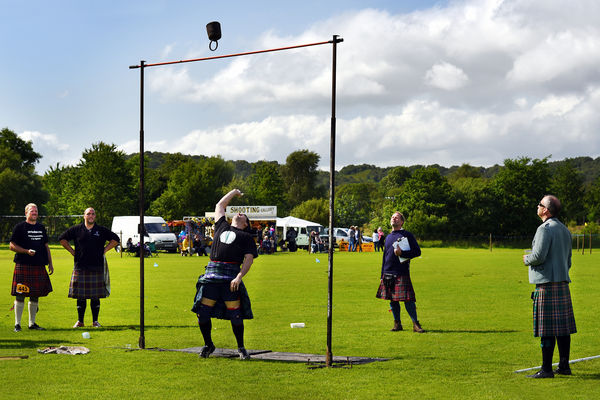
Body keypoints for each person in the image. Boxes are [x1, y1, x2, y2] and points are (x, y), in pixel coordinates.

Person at [191, 189, 258, 360]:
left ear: (246, 224)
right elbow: (220, 205)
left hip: (230, 279)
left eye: (244, 215)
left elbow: (249, 260)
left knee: (235, 314)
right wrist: (234, 192)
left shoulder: (246, 237)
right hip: (211, 276)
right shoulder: (221, 226)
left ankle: (241, 348)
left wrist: (239, 277)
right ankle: (208, 345)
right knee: (202, 313)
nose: (240, 213)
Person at [522, 195, 576, 378]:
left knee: (547, 329)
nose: (537, 206)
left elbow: (538, 256)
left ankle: (546, 369)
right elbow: (568, 260)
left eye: (540, 204)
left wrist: (526, 259)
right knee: (562, 328)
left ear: (546, 210)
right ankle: (564, 366)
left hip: (546, 284)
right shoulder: (564, 230)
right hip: (562, 282)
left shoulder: (544, 229)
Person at [59, 207, 119, 328]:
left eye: (93, 214)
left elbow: (116, 240)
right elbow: (62, 239)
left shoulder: (101, 230)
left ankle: (95, 321)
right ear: (84, 216)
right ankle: (80, 321)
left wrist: (105, 250)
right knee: (80, 296)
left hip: (97, 266)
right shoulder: (77, 229)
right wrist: (72, 251)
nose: (91, 216)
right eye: (88, 214)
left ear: (95, 216)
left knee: (95, 296)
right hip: (80, 266)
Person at [376, 212, 425, 333]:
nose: (393, 218)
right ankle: (397, 323)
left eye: (396, 217)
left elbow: (417, 252)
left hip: (401, 271)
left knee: (408, 300)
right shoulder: (388, 237)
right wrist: (382, 274)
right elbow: (385, 256)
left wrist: (402, 253)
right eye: (392, 217)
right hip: (388, 272)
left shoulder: (407, 235)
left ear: (401, 221)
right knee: (393, 300)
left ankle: (415, 324)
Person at [9, 203, 54, 332]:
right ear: (26, 213)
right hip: (23, 265)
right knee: (20, 294)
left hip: (39, 265)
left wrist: (50, 263)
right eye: (31, 211)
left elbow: (46, 246)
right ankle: (17, 324)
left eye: (36, 211)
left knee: (35, 295)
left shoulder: (41, 228)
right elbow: (11, 246)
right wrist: (25, 251)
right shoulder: (20, 227)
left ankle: (32, 323)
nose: (34, 213)